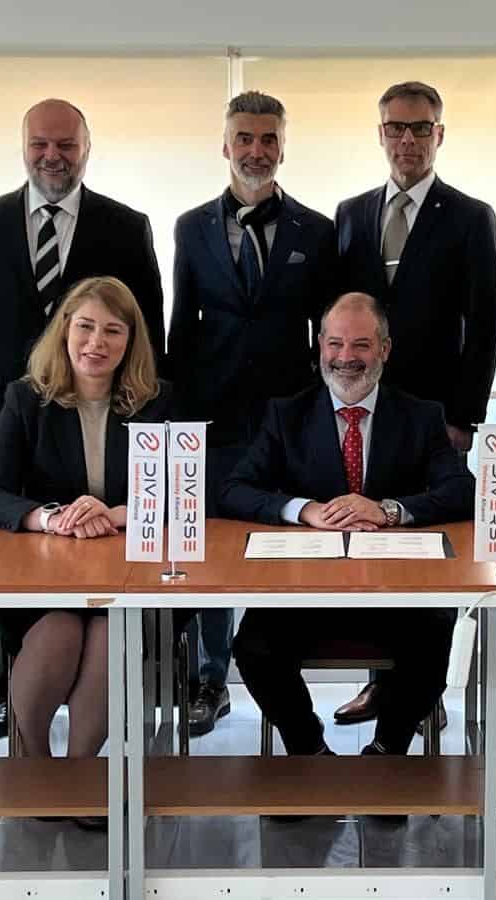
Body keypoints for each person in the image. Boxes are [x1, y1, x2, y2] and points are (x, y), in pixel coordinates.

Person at [0, 98, 166, 741]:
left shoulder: (124, 225)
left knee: (95, 625)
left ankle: (75, 771)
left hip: (117, 431)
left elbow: (145, 316)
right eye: (41, 143)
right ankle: (11, 708)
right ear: (23, 146)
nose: (53, 155)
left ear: (85, 149)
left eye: (66, 145)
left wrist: (116, 511)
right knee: (27, 579)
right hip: (17, 411)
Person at [221, 293, 474, 756]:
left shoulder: (422, 416)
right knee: (254, 650)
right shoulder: (286, 414)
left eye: (360, 345)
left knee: (436, 640)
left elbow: (462, 491)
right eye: (335, 344)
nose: (345, 358)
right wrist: (304, 509)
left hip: (397, 593)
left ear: (385, 350)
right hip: (305, 592)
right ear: (319, 346)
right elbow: (234, 489)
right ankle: (308, 750)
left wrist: (389, 510)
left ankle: (388, 751)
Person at [165, 90, 338, 737]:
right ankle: (210, 678)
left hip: (289, 423)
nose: (256, 150)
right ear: (226, 145)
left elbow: (328, 337)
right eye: (245, 138)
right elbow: (181, 327)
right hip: (209, 419)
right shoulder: (189, 228)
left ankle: (276, 673)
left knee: (282, 544)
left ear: (283, 147)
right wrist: (175, 421)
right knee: (209, 551)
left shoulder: (316, 232)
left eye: (268, 139)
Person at [0, 277, 170, 825]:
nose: (96, 343)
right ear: (64, 332)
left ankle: (82, 776)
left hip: (130, 579)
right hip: (45, 580)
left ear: (131, 341)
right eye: (84, 327)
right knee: (60, 628)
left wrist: (121, 513)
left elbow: (193, 490)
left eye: (113, 331)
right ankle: (36, 766)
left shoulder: (157, 402)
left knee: (108, 631)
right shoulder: (26, 399)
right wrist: (52, 518)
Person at [332, 80, 496, 725]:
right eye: (396, 128)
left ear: (439, 134)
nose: (407, 139)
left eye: (420, 127)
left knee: (425, 557)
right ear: (380, 134)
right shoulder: (351, 212)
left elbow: (485, 322)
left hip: (434, 419)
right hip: (365, 411)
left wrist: (463, 417)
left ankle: (418, 692)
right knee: (372, 553)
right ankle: (385, 685)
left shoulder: (469, 215)